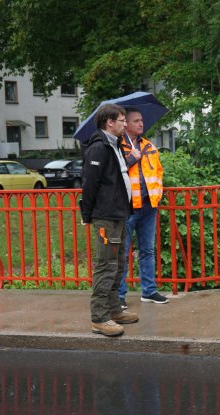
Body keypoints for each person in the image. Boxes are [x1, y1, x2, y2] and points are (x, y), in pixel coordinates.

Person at [79, 103, 139, 337]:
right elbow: (89, 184)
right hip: (106, 215)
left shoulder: (114, 146)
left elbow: (116, 178)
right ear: (109, 122)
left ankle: (114, 310)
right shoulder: (99, 148)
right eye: (122, 120)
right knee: (106, 265)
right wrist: (87, 214)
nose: (125, 124)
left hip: (119, 213)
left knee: (118, 264)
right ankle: (99, 318)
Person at [116, 108, 167, 309]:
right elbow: (113, 173)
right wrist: (131, 159)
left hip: (149, 206)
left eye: (142, 120)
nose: (141, 124)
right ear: (126, 124)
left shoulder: (149, 146)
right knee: (123, 253)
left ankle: (149, 291)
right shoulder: (118, 147)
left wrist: (158, 193)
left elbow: (158, 172)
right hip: (128, 208)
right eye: (136, 121)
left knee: (147, 250)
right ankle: (120, 295)